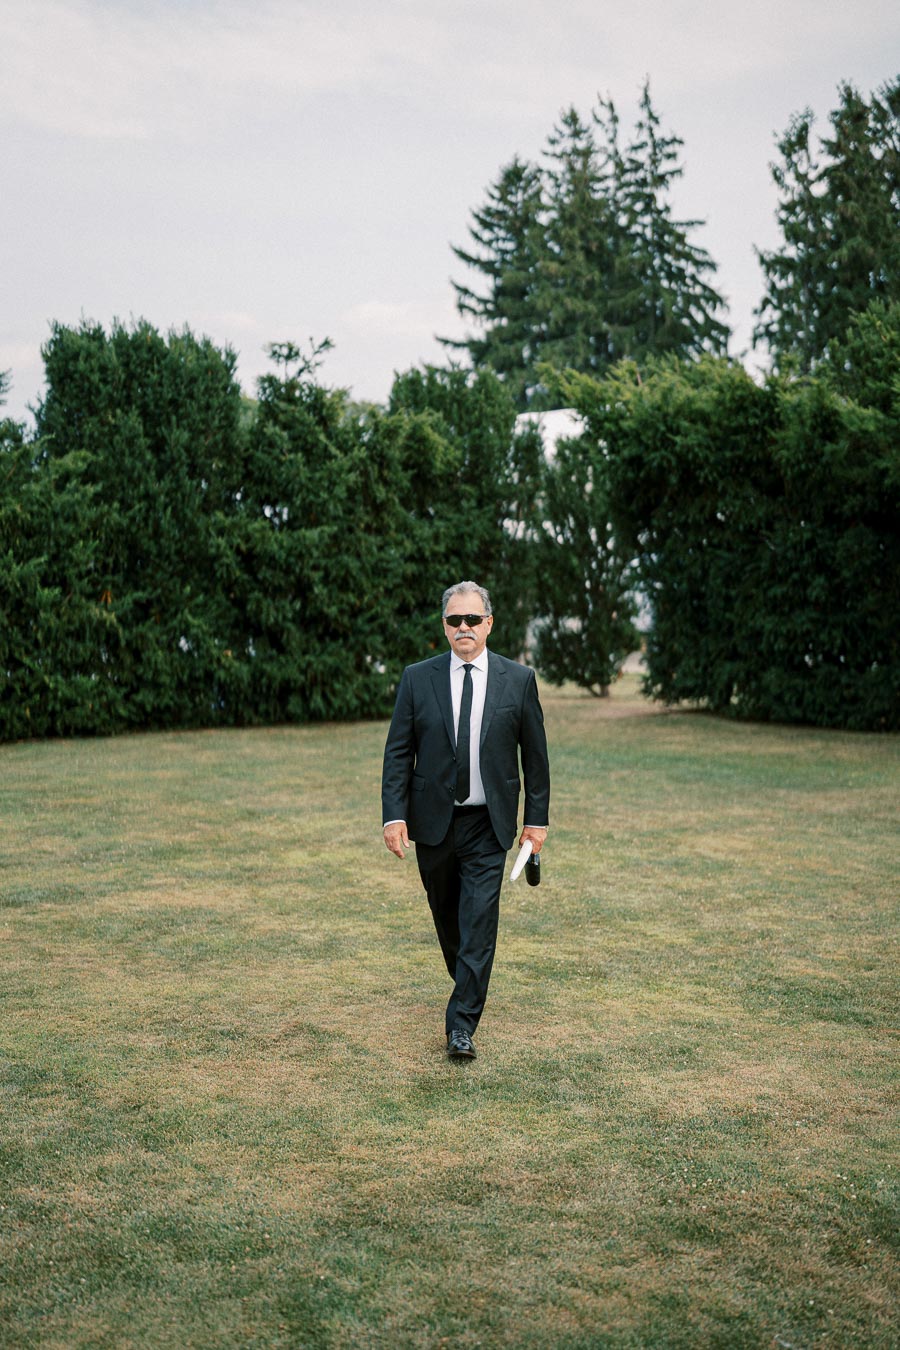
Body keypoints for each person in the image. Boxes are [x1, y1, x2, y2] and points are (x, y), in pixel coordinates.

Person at [381, 581, 550, 1060]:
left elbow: (535, 759)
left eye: (472, 619)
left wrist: (536, 823)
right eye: (455, 620)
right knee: (448, 918)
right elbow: (398, 752)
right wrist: (394, 816)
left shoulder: (518, 680)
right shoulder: (418, 678)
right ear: (445, 626)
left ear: (489, 624)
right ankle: (470, 975)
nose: (464, 628)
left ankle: (461, 1026)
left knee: (478, 919)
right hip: (432, 822)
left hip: (487, 824)